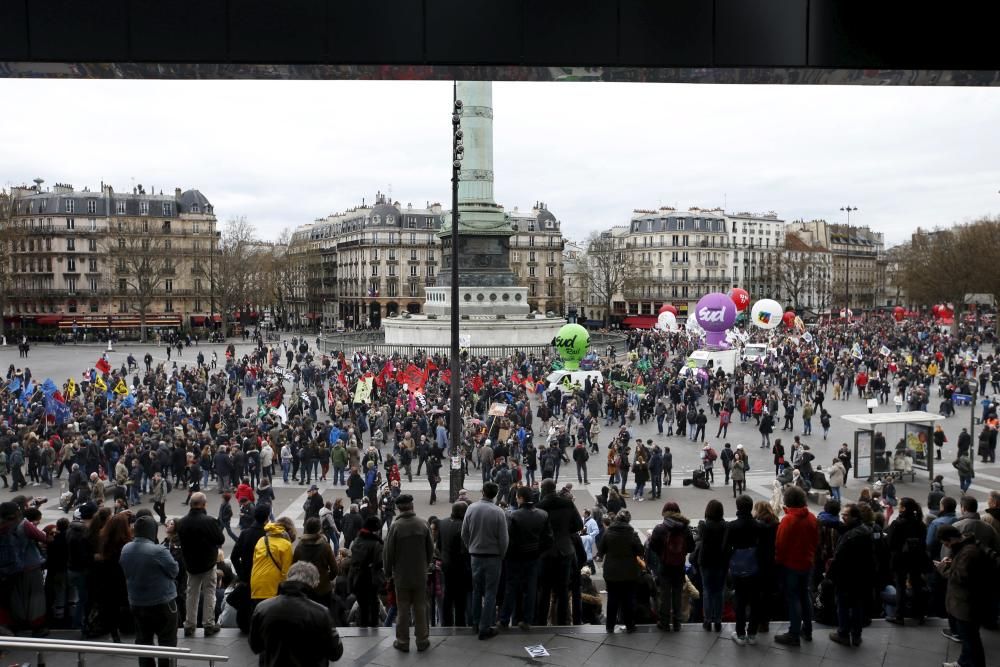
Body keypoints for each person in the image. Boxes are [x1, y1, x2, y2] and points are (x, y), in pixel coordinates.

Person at [249, 561, 344, 667]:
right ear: (313, 584)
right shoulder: (321, 612)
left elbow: (255, 646)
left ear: (288, 577)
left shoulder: (262, 608)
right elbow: (335, 653)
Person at [119, 516, 179, 667]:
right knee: (167, 642)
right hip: (162, 602)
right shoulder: (158, 551)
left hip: (137, 602)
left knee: (143, 640)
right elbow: (174, 571)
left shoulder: (125, 549)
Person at [383, 494, 434, 652]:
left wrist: (388, 573)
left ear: (398, 508)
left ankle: (403, 641)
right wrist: (425, 566)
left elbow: (388, 553)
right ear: (412, 506)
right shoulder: (423, 524)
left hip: (402, 574)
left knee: (403, 608)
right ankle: (422, 640)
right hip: (420, 573)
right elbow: (430, 550)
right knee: (420, 606)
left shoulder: (395, 527)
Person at [499, 486, 553, 630]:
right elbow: (548, 539)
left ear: (521, 498)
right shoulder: (542, 515)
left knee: (511, 588)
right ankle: (528, 620)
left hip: (515, 557)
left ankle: (504, 619)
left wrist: (508, 555)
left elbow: (507, 539)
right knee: (531, 589)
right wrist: (538, 551)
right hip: (534, 557)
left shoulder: (513, 516)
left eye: (517, 497)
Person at [936, 525, 990, 667]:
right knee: (967, 638)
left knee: (971, 640)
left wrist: (942, 567)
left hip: (966, 603)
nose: (946, 546)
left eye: (946, 543)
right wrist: (952, 563)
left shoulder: (968, 552)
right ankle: (963, 662)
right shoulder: (965, 548)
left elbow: (961, 577)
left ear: (952, 538)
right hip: (963, 603)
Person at [461, 481, 509, 639]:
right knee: (490, 592)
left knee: (476, 590)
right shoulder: (498, 512)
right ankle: (486, 626)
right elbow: (504, 539)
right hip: (493, 556)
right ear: (495, 495)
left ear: (482, 492)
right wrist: (501, 555)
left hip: (475, 555)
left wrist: (471, 547)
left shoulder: (471, 508)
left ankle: (475, 623)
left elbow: (464, 533)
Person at [774, 486, 818, 646]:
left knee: (793, 598)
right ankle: (807, 629)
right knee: (805, 595)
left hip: (791, 565)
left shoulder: (788, 520)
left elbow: (780, 545)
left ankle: (793, 633)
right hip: (807, 563)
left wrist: (778, 563)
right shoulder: (812, 517)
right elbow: (815, 540)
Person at [175, 491, 224, 637]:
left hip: (191, 563)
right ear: (203, 504)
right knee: (209, 591)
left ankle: (189, 624)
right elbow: (220, 539)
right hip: (208, 562)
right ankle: (208, 623)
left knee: (191, 593)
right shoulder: (209, 521)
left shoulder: (182, 522)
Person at [535, 477, 583, 626]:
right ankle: (562, 623)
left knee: (544, 589)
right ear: (555, 488)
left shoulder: (539, 506)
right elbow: (579, 525)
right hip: (565, 549)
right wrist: (564, 532)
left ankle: (541, 622)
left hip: (546, 552)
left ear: (543, 490)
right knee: (562, 589)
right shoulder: (568, 503)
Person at [825, 503, 874, 648]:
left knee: (843, 606)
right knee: (857, 606)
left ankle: (843, 634)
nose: (842, 518)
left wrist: (829, 575)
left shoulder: (849, 536)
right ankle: (856, 635)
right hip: (861, 577)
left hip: (846, 577)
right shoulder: (865, 530)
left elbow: (838, 559)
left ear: (854, 517)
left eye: (845, 515)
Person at [647, 500, 694, 631]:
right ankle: (677, 622)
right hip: (679, 566)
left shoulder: (660, 528)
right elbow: (691, 547)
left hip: (665, 566)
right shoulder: (685, 528)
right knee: (678, 594)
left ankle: (664, 622)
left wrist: (663, 553)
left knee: (665, 595)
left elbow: (653, 547)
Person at [723, 495, 762, 646]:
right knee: (755, 600)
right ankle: (752, 633)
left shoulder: (732, 526)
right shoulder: (758, 525)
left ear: (738, 508)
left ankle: (740, 633)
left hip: (738, 567)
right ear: (751, 508)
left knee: (740, 599)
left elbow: (725, 548)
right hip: (754, 567)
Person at [598, 510, 643, 633]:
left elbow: (601, 550)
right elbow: (640, 551)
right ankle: (630, 625)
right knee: (628, 599)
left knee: (612, 598)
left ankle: (610, 626)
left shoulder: (608, 532)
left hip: (611, 571)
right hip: (629, 572)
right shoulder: (632, 534)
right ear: (628, 520)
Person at [886, 497, 929, 625]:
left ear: (903, 508)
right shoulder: (920, 524)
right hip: (916, 558)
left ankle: (899, 616)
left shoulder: (897, 524)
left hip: (900, 559)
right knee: (917, 585)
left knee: (900, 586)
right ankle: (919, 614)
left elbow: (890, 543)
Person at [696, 499, 727, 632]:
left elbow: (699, 537)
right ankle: (718, 620)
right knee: (719, 591)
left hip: (706, 561)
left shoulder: (704, 525)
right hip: (720, 561)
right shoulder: (725, 526)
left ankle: (707, 620)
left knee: (707, 591)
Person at [348, 516, 384, 628]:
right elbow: (380, 562)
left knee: (362, 606)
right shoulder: (376, 543)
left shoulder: (357, 541)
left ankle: (362, 628)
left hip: (357, 578)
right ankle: (374, 628)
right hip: (371, 578)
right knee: (374, 604)